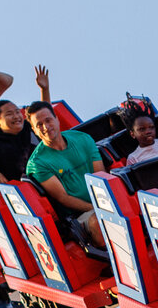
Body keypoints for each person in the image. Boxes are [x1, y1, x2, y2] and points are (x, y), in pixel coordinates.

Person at [24, 101, 104, 246]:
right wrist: (95, 208)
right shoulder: (37, 163)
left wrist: (106, 205)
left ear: (56, 118)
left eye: (48, 120)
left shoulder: (82, 138)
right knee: (99, 221)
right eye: (39, 125)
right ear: (34, 131)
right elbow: (63, 197)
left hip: (104, 201)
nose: (46, 127)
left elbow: (101, 176)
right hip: (79, 214)